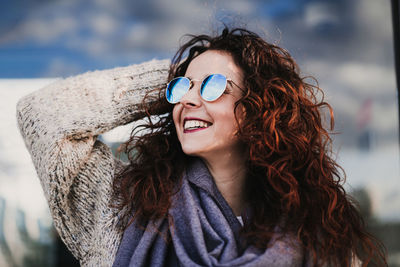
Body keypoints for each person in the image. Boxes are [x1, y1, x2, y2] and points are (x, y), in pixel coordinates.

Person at [17, 27, 386, 266]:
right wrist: (176, 73)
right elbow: (43, 115)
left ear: (260, 109)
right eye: (181, 90)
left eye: (212, 86)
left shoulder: (316, 236)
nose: (188, 100)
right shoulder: (121, 209)